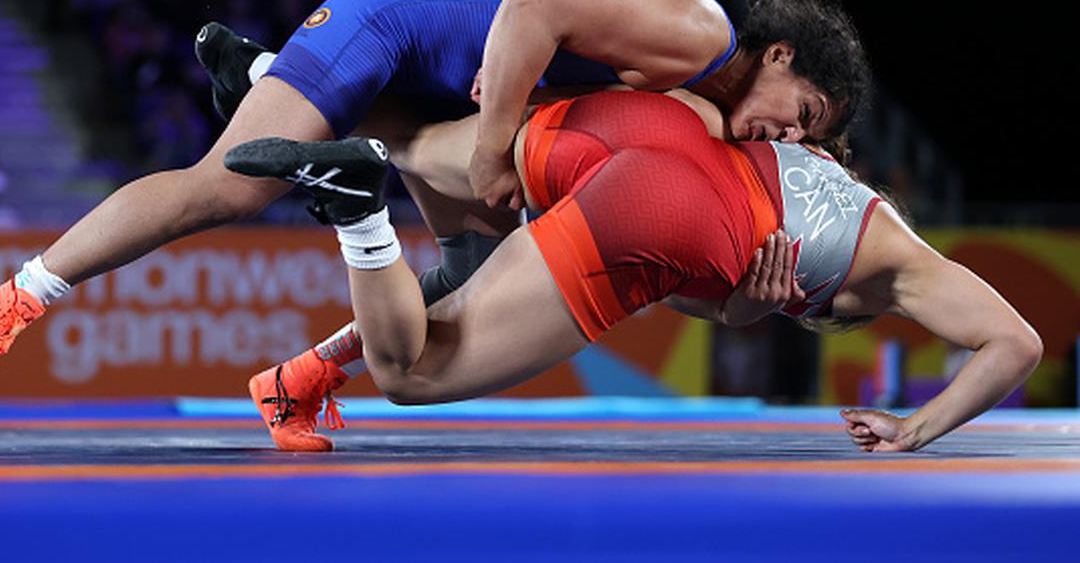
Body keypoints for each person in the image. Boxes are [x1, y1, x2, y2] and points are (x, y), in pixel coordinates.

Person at [0, 0, 869, 417]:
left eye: (804, 142)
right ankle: (5, 299)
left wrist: (749, 301)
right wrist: (498, 150)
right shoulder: (700, 33)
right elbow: (526, 10)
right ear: (779, 53)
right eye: (805, 113)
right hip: (395, 26)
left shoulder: (705, 115)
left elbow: (646, 258)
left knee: (472, 276)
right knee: (233, 187)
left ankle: (300, 376)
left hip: (436, 90)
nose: (787, 136)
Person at [224, 88, 1041, 454]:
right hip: (669, 206)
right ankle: (362, 214)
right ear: (838, 311)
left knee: (434, 213)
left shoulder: (807, 159)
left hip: (645, 123)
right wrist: (913, 429)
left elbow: (688, 275)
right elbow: (1016, 342)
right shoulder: (900, 259)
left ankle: (278, 82)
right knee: (414, 372)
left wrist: (733, 311)